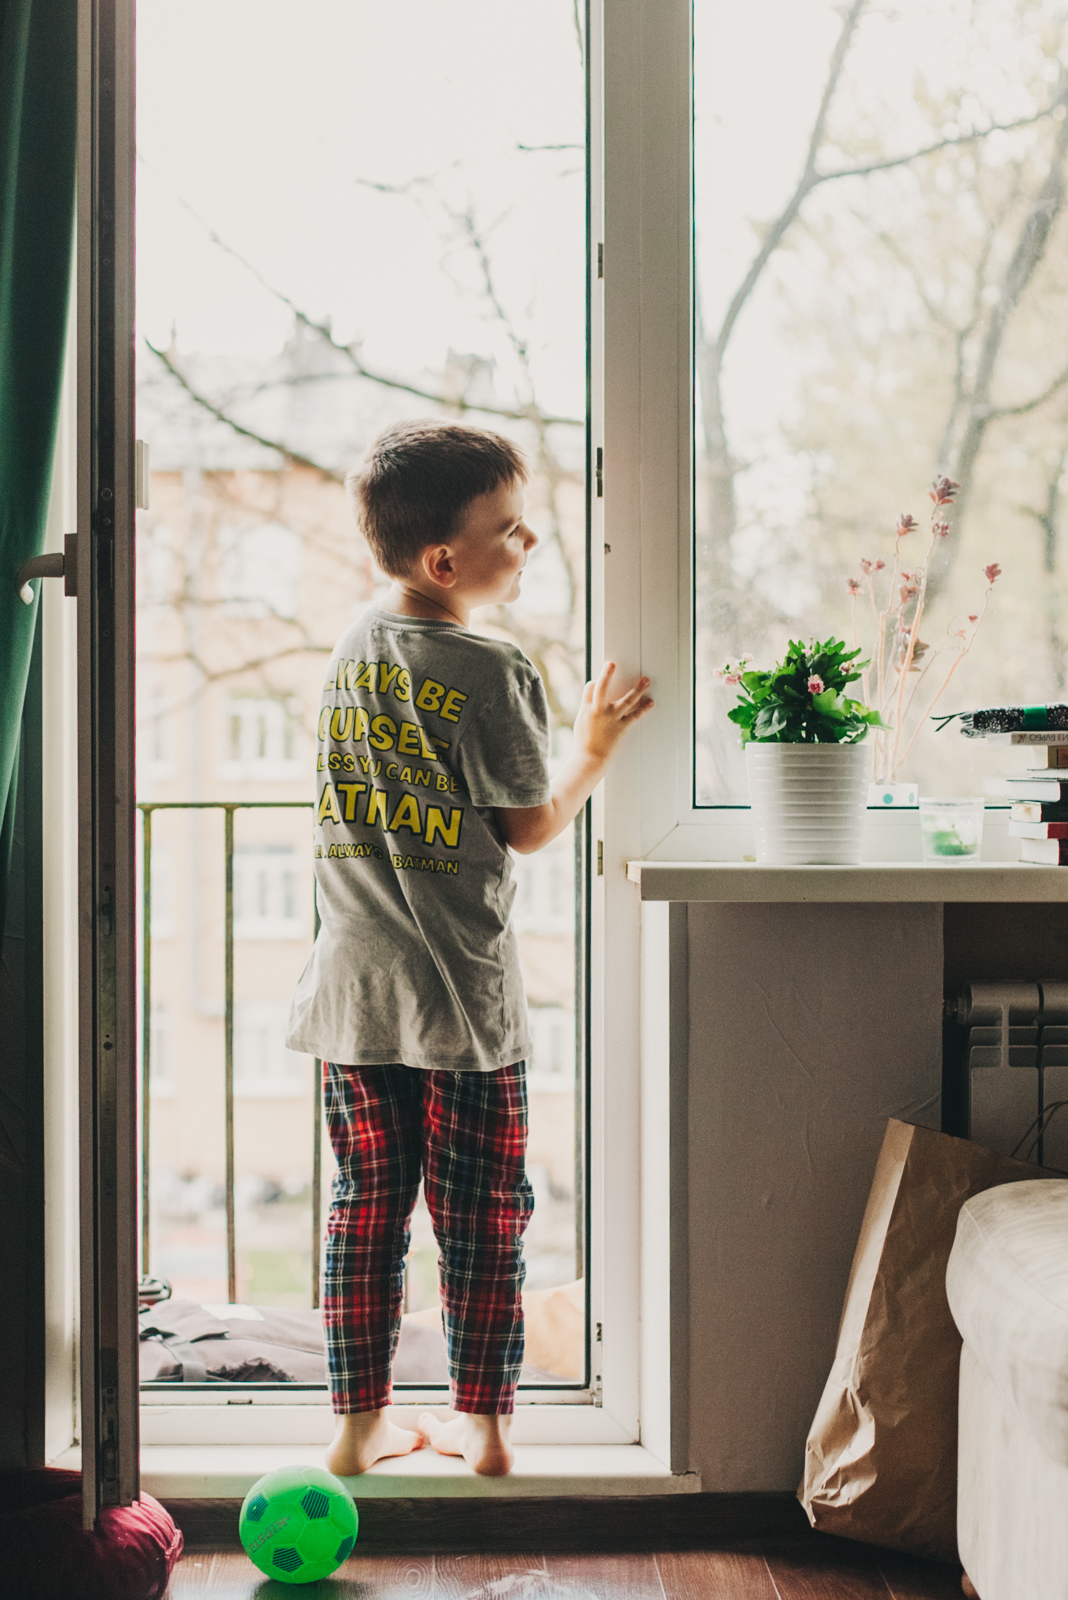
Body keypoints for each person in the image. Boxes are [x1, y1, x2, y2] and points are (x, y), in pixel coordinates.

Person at [286, 419, 654, 1477]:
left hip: (354, 994)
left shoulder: (353, 649)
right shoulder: (493, 667)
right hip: (463, 1003)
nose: (529, 541)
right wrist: (593, 749)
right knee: (483, 1218)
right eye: (511, 529)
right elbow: (528, 827)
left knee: (365, 1212)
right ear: (447, 562)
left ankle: (357, 1424)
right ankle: (484, 1424)